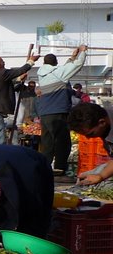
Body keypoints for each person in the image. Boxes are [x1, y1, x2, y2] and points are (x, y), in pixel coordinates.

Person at [36, 45, 87, 176]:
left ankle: (44, 167)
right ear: (55, 63)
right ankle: (59, 168)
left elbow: (63, 71)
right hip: (57, 112)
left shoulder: (42, 74)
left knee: (47, 142)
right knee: (62, 141)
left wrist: (72, 57)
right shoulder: (58, 74)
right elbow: (76, 66)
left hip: (44, 113)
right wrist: (82, 52)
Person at [0, 46, 37, 145]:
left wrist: (18, 79)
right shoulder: (2, 73)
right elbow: (20, 70)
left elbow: (3, 84)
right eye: (2, 61)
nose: (4, 63)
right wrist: (31, 61)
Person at [68, 102, 113, 185]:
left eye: (90, 134)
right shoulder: (105, 121)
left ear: (102, 123)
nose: (88, 138)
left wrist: (101, 176)